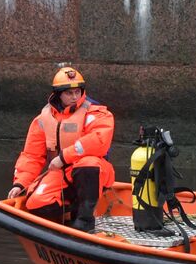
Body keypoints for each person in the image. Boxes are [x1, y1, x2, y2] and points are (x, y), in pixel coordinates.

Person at [8, 66, 116, 232]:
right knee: (35, 203)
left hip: (93, 171)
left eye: (77, 92)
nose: (74, 97)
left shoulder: (97, 114)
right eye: (68, 93)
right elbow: (32, 156)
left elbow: (98, 141)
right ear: (58, 94)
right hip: (61, 173)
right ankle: (73, 207)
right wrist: (20, 183)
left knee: (88, 163)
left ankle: (85, 219)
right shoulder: (43, 119)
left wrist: (64, 157)